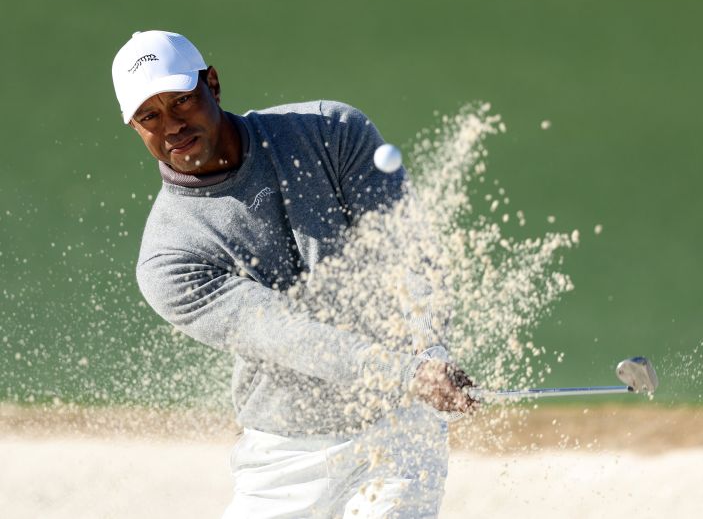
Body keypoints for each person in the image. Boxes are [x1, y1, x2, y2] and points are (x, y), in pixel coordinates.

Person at [112, 30, 475, 518]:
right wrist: (407, 373)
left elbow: (409, 254)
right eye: (150, 116)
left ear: (212, 84)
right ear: (133, 126)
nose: (172, 125)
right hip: (284, 455)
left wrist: (429, 352)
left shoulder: (329, 131)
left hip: (397, 427)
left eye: (182, 100)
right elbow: (283, 333)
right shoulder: (168, 257)